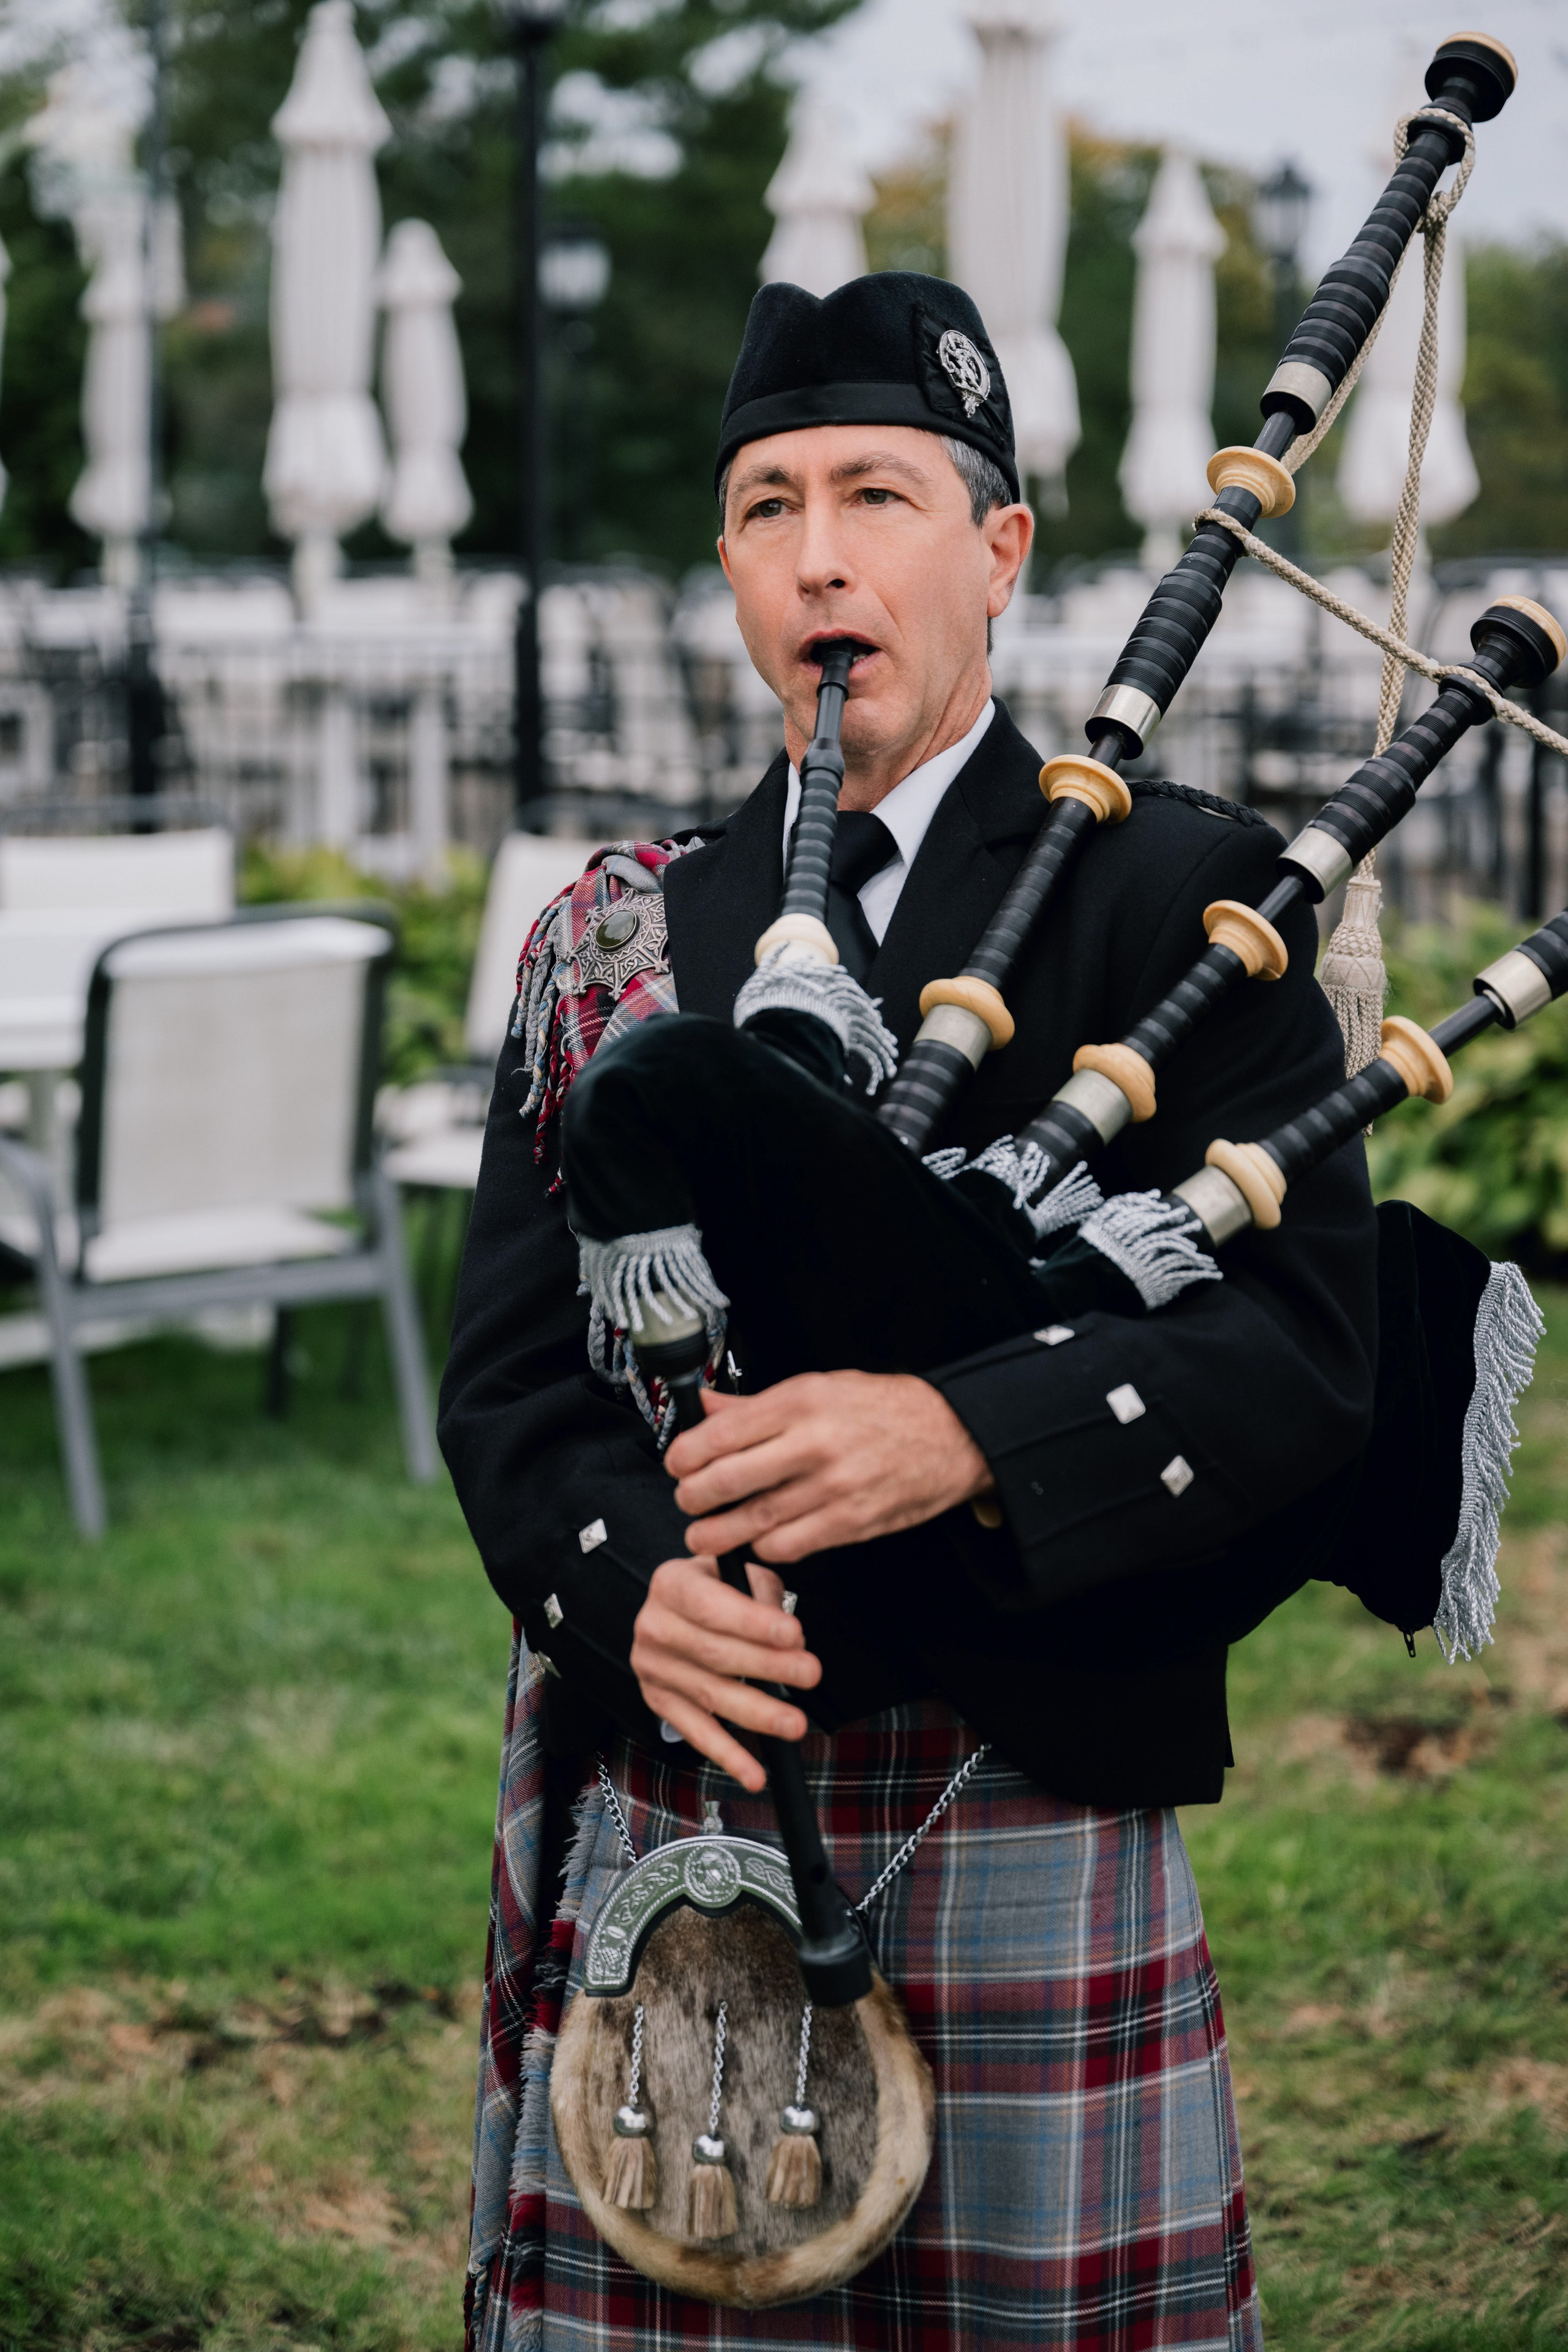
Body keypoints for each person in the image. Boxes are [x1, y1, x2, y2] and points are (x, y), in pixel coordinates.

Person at [440, 272, 1377, 2351]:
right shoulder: (619, 932)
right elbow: (509, 1384)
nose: (819, 558)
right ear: (731, 571)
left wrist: (963, 1436)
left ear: (1000, 550)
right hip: (690, 1781)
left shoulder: (1191, 906)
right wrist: (627, 1592)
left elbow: (1305, 1350)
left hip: (1023, 1779)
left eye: (876, 495)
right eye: (767, 507)